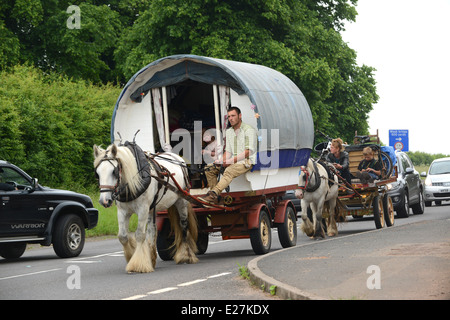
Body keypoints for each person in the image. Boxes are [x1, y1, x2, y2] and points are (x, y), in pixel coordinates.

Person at [200, 106, 257, 204]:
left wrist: (230, 161)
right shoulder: (229, 132)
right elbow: (228, 152)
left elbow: (248, 152)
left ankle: (213, 193)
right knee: (209, 168)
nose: (230, 118)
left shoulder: (249, 130)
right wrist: (221, 160)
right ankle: (215, 198)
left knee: (229, 170)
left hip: (246, 161)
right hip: (234, 161)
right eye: (229, 116)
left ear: (240, 116)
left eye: (233, 116)